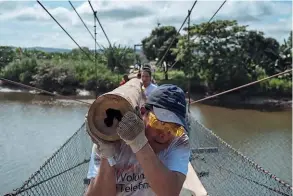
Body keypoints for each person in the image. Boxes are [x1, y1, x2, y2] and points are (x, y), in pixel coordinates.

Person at [85, 84, 190, 196]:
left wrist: (138, 143)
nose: (164, 134)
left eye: (174, 128)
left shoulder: (179, 140)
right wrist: (107, 156)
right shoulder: (110, 137)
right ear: (143, 112)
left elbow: (170, 193)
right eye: (160, 124)